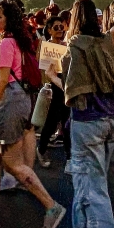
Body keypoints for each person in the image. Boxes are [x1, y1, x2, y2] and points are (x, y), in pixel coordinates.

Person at [0, 0, 66, 228]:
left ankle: (52, 207)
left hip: (8, 104)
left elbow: (1, 82)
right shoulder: (14, 42)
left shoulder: (8, 43)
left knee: (12, 164)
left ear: (8, 19)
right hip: (13, 102)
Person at [56, 0, 114, 228]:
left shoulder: (76, 45)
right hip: (113, 119)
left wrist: (53, 77)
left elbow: (74, 90)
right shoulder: (107, 42)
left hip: (88, 122)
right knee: (84, 185)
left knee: (94, 190)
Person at [36, 15, 71, 167]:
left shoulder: (66, 45)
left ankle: (70, 157)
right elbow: (41, 66)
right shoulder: (46, 46)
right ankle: (41, 150)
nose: (59, 30)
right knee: (50, 123)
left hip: (64, 86)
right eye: (56, 28)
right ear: (49, 30)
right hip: (51, 88)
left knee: (67, 122)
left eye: (61, 27)